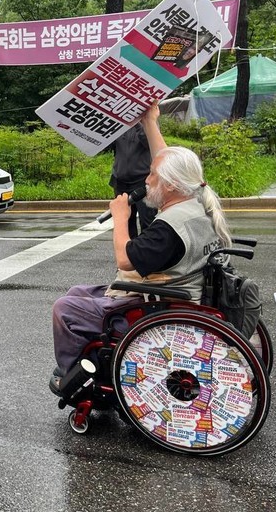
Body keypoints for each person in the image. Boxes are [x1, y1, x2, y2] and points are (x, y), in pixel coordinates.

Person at [50, 107, 230, 392]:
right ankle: (93, 359)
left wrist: (121, 219)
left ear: (171, 184)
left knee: (65, 308)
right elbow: (165, 160)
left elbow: (124, 261)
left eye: (152, 175)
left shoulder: (168, 229)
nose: (147, 180)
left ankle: (76, 377)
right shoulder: (197, 205)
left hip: (160, 304)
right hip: (183, 287)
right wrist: (149, 120)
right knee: (78, 292)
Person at [107, 104, 165, 238]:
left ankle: (148, 255)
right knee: (126, 222)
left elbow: (148, 142)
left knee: (148, 222)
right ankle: (129, 255)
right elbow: (107, 146)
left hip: (142, 182)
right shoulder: (118, 124)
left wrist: (139, 122)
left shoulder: (148, 122)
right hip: (120, 180)